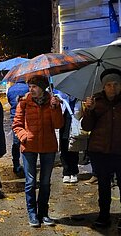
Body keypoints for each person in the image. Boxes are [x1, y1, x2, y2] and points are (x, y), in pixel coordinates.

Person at [12, 75, 63, 227]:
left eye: (34, 86)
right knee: (30, 182)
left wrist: (55, 108)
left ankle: (44, 213)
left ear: (42, 88)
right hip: (29, 147)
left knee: (45, 182)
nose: (31, 89)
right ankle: (32, 214)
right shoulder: (24, 102)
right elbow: (17, 124)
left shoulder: (52, 102)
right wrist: (24, 136)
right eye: (30, 86)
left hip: (48, 146)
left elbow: (58, 125)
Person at [81, 68, 121, 228]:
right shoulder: (96, 101)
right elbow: (86, 126)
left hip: (120, 152)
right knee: (103, 187)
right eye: (109, 84)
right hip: (101, 152)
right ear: (103, 86)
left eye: (116, 84)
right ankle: (104, 216)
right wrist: (89, 111)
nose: (112, 88)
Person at [6, 78, 29, 175]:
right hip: (26, 116)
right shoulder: (28, 88)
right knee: (26, 140)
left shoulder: (11, 89)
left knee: (16, 142)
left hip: (14, 116)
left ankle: (16, 164)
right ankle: (27, 163)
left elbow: (11, 102)